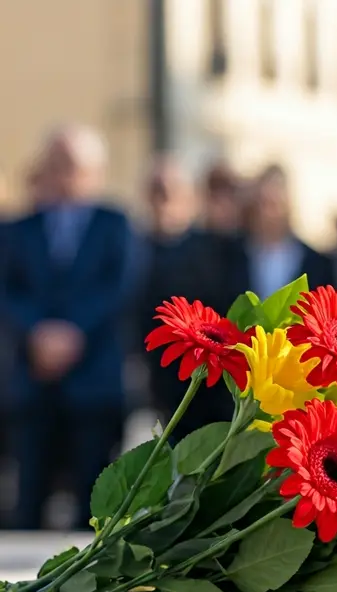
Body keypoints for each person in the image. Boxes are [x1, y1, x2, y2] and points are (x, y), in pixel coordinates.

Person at [1, 125, 136, 529]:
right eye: (56, 165)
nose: (64, 175)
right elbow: (8, 290)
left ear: (96, 171)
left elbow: (119, 288)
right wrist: (38, 334)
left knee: (91, 505)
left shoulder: (116, 224)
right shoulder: (18, 229)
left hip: (93, 382)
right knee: (28, 501)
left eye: (73, 166)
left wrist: (73, 333)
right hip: (33, 379)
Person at [133, 158, 234, 439]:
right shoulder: (134, 247)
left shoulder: (214, 249)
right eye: (156, 191)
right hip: (155, 380)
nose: (162, 201)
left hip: (207, 382)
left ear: (189, 198)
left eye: (169, 192)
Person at [223, 166, 336, 308]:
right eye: (264, 204)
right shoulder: (230, 257)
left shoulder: (316, 263)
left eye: (275, 205)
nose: (269, 214)